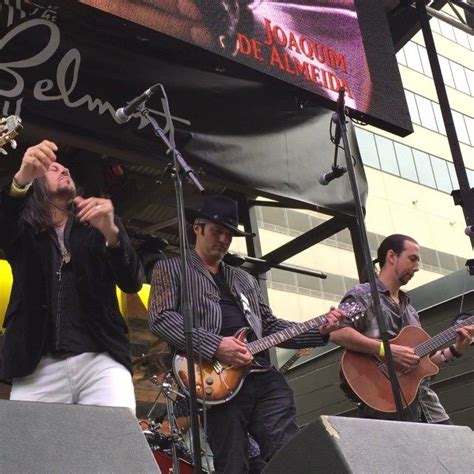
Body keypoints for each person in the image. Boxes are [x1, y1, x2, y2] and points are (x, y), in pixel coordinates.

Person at [148, 195, 344, 473]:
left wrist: (320, 331)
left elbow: (269, 325)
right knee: (233, 462)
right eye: (217, 231)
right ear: (197, 228)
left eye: (229, 235)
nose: (223, 240)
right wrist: (216, 345)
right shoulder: (171, 268)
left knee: (289, 449)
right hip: (215, 378)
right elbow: (161, 318)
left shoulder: (244, 279)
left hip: (261, 376)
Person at [0, 140, 144, 413]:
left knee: (116, 446)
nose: (64, 170)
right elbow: (4, 224)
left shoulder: (97, 220)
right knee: (29, 452)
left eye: (66, 168)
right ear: (37, 183)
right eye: (53, 168)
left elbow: (132, 282)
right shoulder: (22, 226)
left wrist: (112, 235)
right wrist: (21, 180)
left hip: (101, 359)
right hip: (36, 365)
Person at [331, 234, 474, 423]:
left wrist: (456, 350)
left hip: (426, 404)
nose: (417, 267)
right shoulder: (363, 295)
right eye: (412, 259)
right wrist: (386, 350)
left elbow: (423, 362)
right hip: (385, 402)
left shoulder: (410, 310)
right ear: (392, 256)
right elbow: (337, 332)